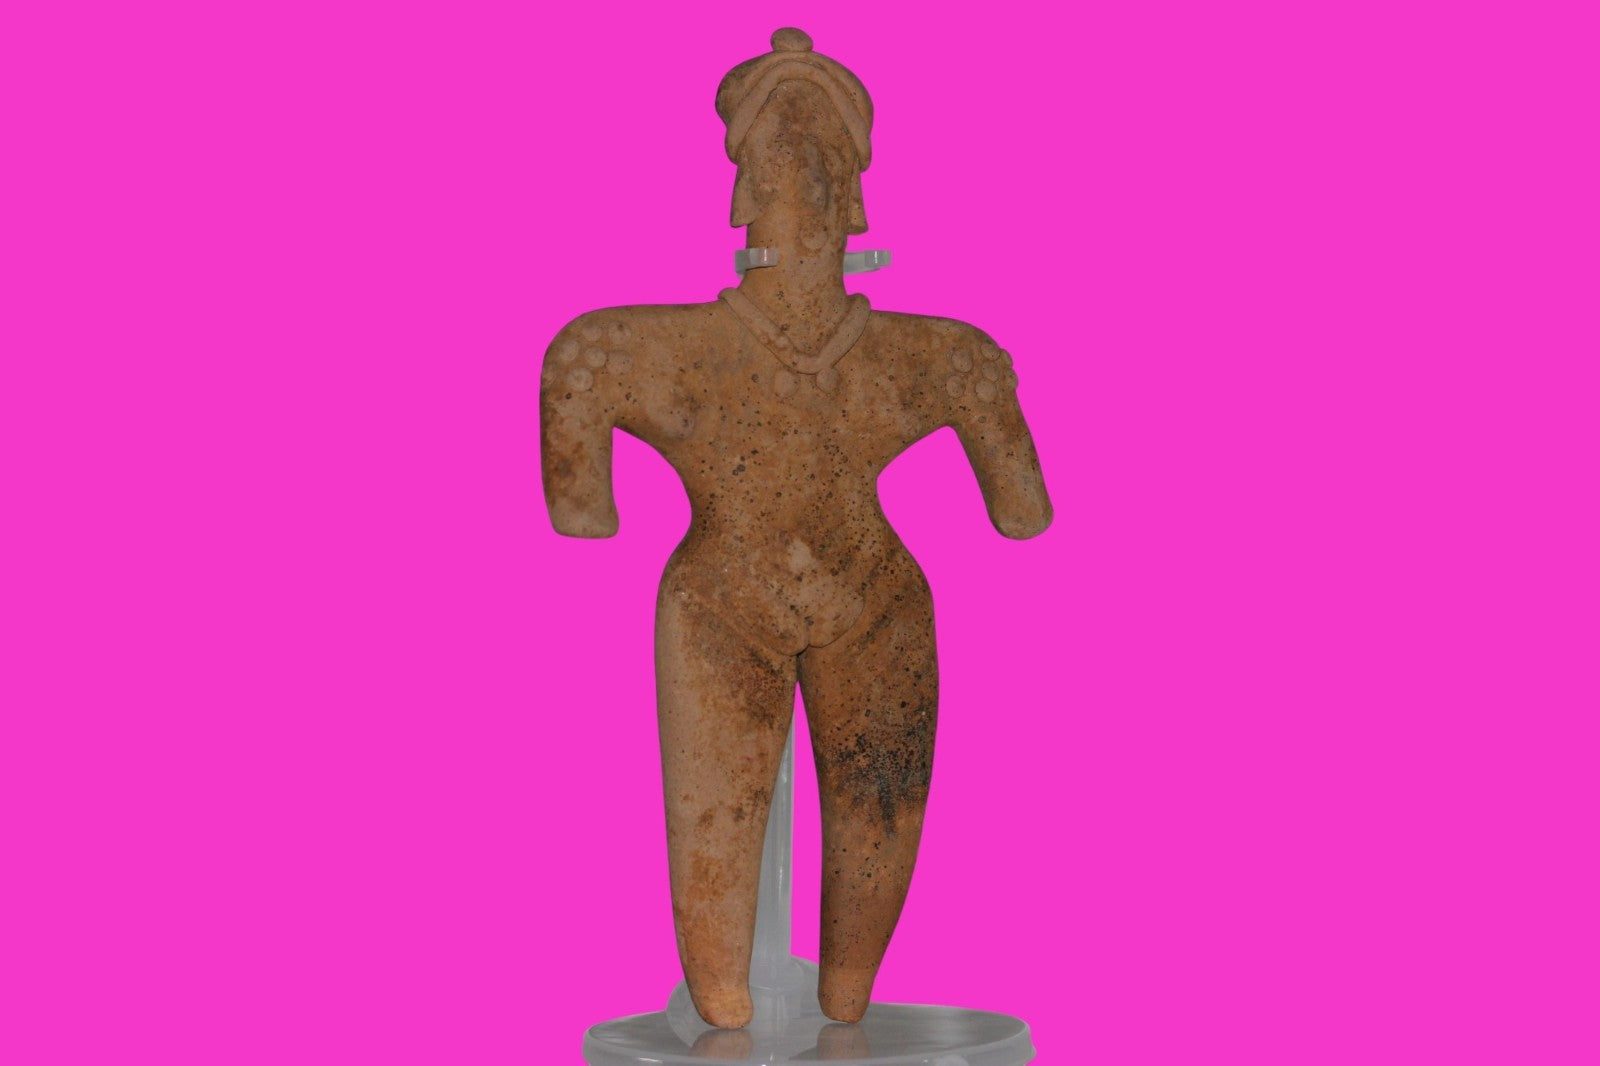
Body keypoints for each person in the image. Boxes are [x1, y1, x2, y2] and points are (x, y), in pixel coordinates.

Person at [541, 28, 1051, 1029]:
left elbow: (1022, 506)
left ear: (859, 194)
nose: (804, 179)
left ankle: (842, 991)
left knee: (875, 834)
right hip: (723, 600)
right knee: (717, 883)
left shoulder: (940, 356)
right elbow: (579, 481)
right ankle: (731, 1000)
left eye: (825, 157)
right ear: (739, 190)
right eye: (780, 154)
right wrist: (580, 453)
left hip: (874, 600)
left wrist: (989, 406)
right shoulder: (627, 350)